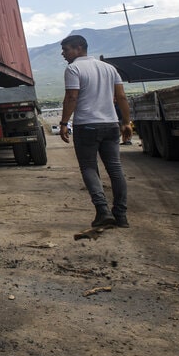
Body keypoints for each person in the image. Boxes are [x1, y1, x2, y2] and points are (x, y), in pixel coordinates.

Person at [58, 34, 131, 228]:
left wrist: (64, 122)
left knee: (89, 167)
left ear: (79, 48)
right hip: (111, 125)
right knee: (115, 169)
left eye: (66, 50)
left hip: (87, 125)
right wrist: (126, 122)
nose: (63, 54)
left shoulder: (73, 69)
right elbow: (122, 97)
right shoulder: (109, 68)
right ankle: (121, 215)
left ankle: (102, 211)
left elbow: (72, 97)